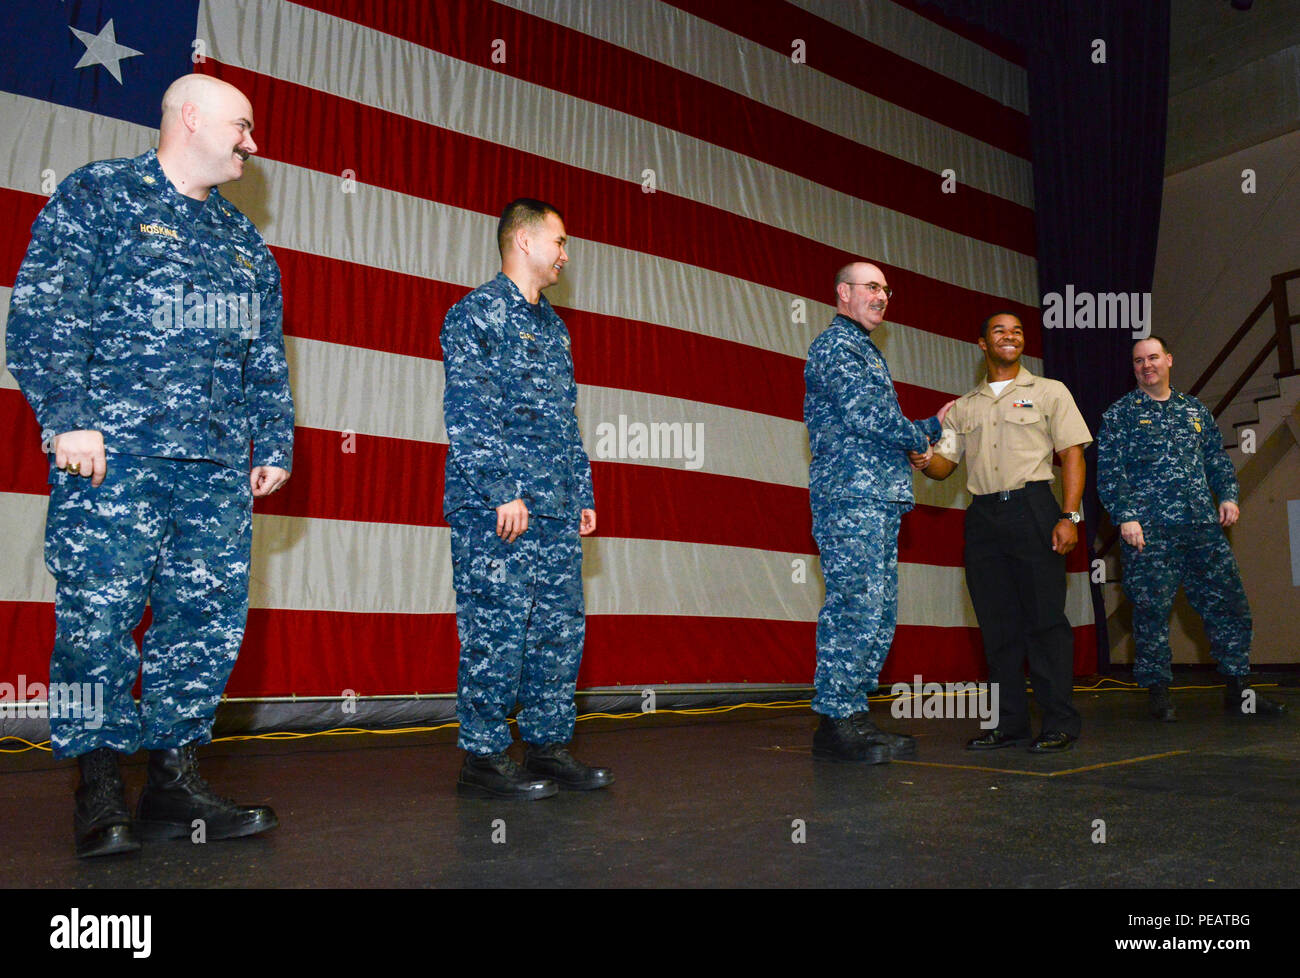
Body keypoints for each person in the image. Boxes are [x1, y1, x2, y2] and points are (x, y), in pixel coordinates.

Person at [6, 74, 294, 857]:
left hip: (212, 471)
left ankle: (174, 780)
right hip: (113, 461)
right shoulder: (99, 194)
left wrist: (272, 441)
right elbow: (43, 310)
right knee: (95, 621)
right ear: (191, 118)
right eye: (241, 127)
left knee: (203, 624)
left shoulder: (244, 242)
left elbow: (263, 355)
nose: (251, 143)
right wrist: (67, 417)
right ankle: (98, 786)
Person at [441, 198, 610, 799]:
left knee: (558, 632)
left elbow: (566, 422)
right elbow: (468, 413)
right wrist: (500, 490)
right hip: (499, 509)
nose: (566, 254)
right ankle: (484, 758)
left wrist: (580, 490)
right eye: (559, 242)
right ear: (523, 242)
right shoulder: (476, 314)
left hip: (556, 508)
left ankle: (547, 746)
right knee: (497, 629)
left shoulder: (554, 326)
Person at [914, 312, 1090, 752]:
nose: (1009, 336)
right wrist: (920, 454)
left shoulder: (1050, 391)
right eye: (999, 331)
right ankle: (1010, 724)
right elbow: (944, 467)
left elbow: (1072, 455)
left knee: (1045, 622)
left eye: (1016, 331)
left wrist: (1070, 517)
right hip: (984, 518)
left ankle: (1059, 722)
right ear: (981, 343)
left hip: (1034, 509)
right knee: (997, 626)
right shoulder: (963, 407)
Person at [804, 261, 953, 762]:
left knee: (878, 610)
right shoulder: (836, 345)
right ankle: (836, 721)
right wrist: (928, 428)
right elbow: (867, 415)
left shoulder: (863, 349)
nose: (882, 296)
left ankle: (854, 714)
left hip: (877, 497)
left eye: (886, 289)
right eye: (871, 287)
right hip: (851, 498)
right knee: (855, 606)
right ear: (842, 292)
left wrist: (914, 435)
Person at [1097, 336, 1286, 721]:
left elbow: (1216, 457)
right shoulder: (1120, 415)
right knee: (1152, 611)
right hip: (1150, 533)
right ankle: (1158, 692)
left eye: (1153, 357)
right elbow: (1110, 472)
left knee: (1229, 606)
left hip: (1202, 528)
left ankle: (1239, 690)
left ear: (1169, 359)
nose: (1146, 365)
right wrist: (1125, 516)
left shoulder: (1194, 410)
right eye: (1138, 361)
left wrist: (1228, 495)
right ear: (1133, 368)